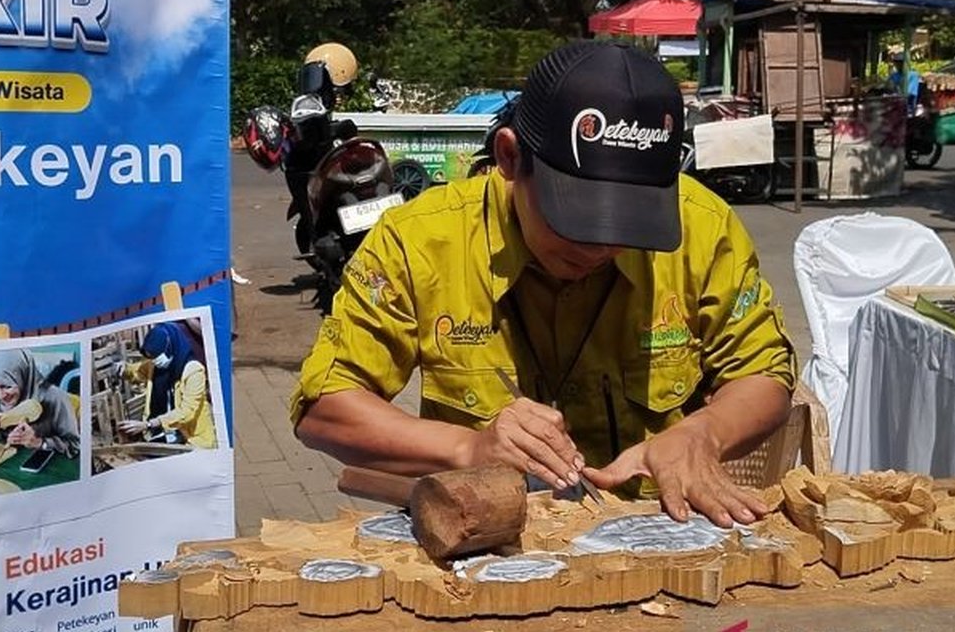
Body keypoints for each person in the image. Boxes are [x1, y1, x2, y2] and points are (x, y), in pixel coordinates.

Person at [290, 39, 796, 528]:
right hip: (486, 537)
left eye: (630, 225)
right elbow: (324, 409)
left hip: (654, 536)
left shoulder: (703, 226)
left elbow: (765, 374)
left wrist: (702, 434)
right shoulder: (417, 241)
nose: (600, 248)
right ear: (511, 159)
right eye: (575, 217)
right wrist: (469, 448)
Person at [0, 350, 80, 457]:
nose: (1, 395)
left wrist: (39, 442)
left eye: (7, 386)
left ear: (24, 375)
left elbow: (75, 446)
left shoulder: (55, 398)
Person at [117, 320, 217, 448]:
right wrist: (123, 370)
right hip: (160, 434)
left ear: (170, 348)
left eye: (157, 357)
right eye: (151, 357)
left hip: (190, 438)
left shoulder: (194, 371)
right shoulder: (154, 365)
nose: (155, 361)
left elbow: (187, 411)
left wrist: (149, 424)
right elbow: (137, 372)